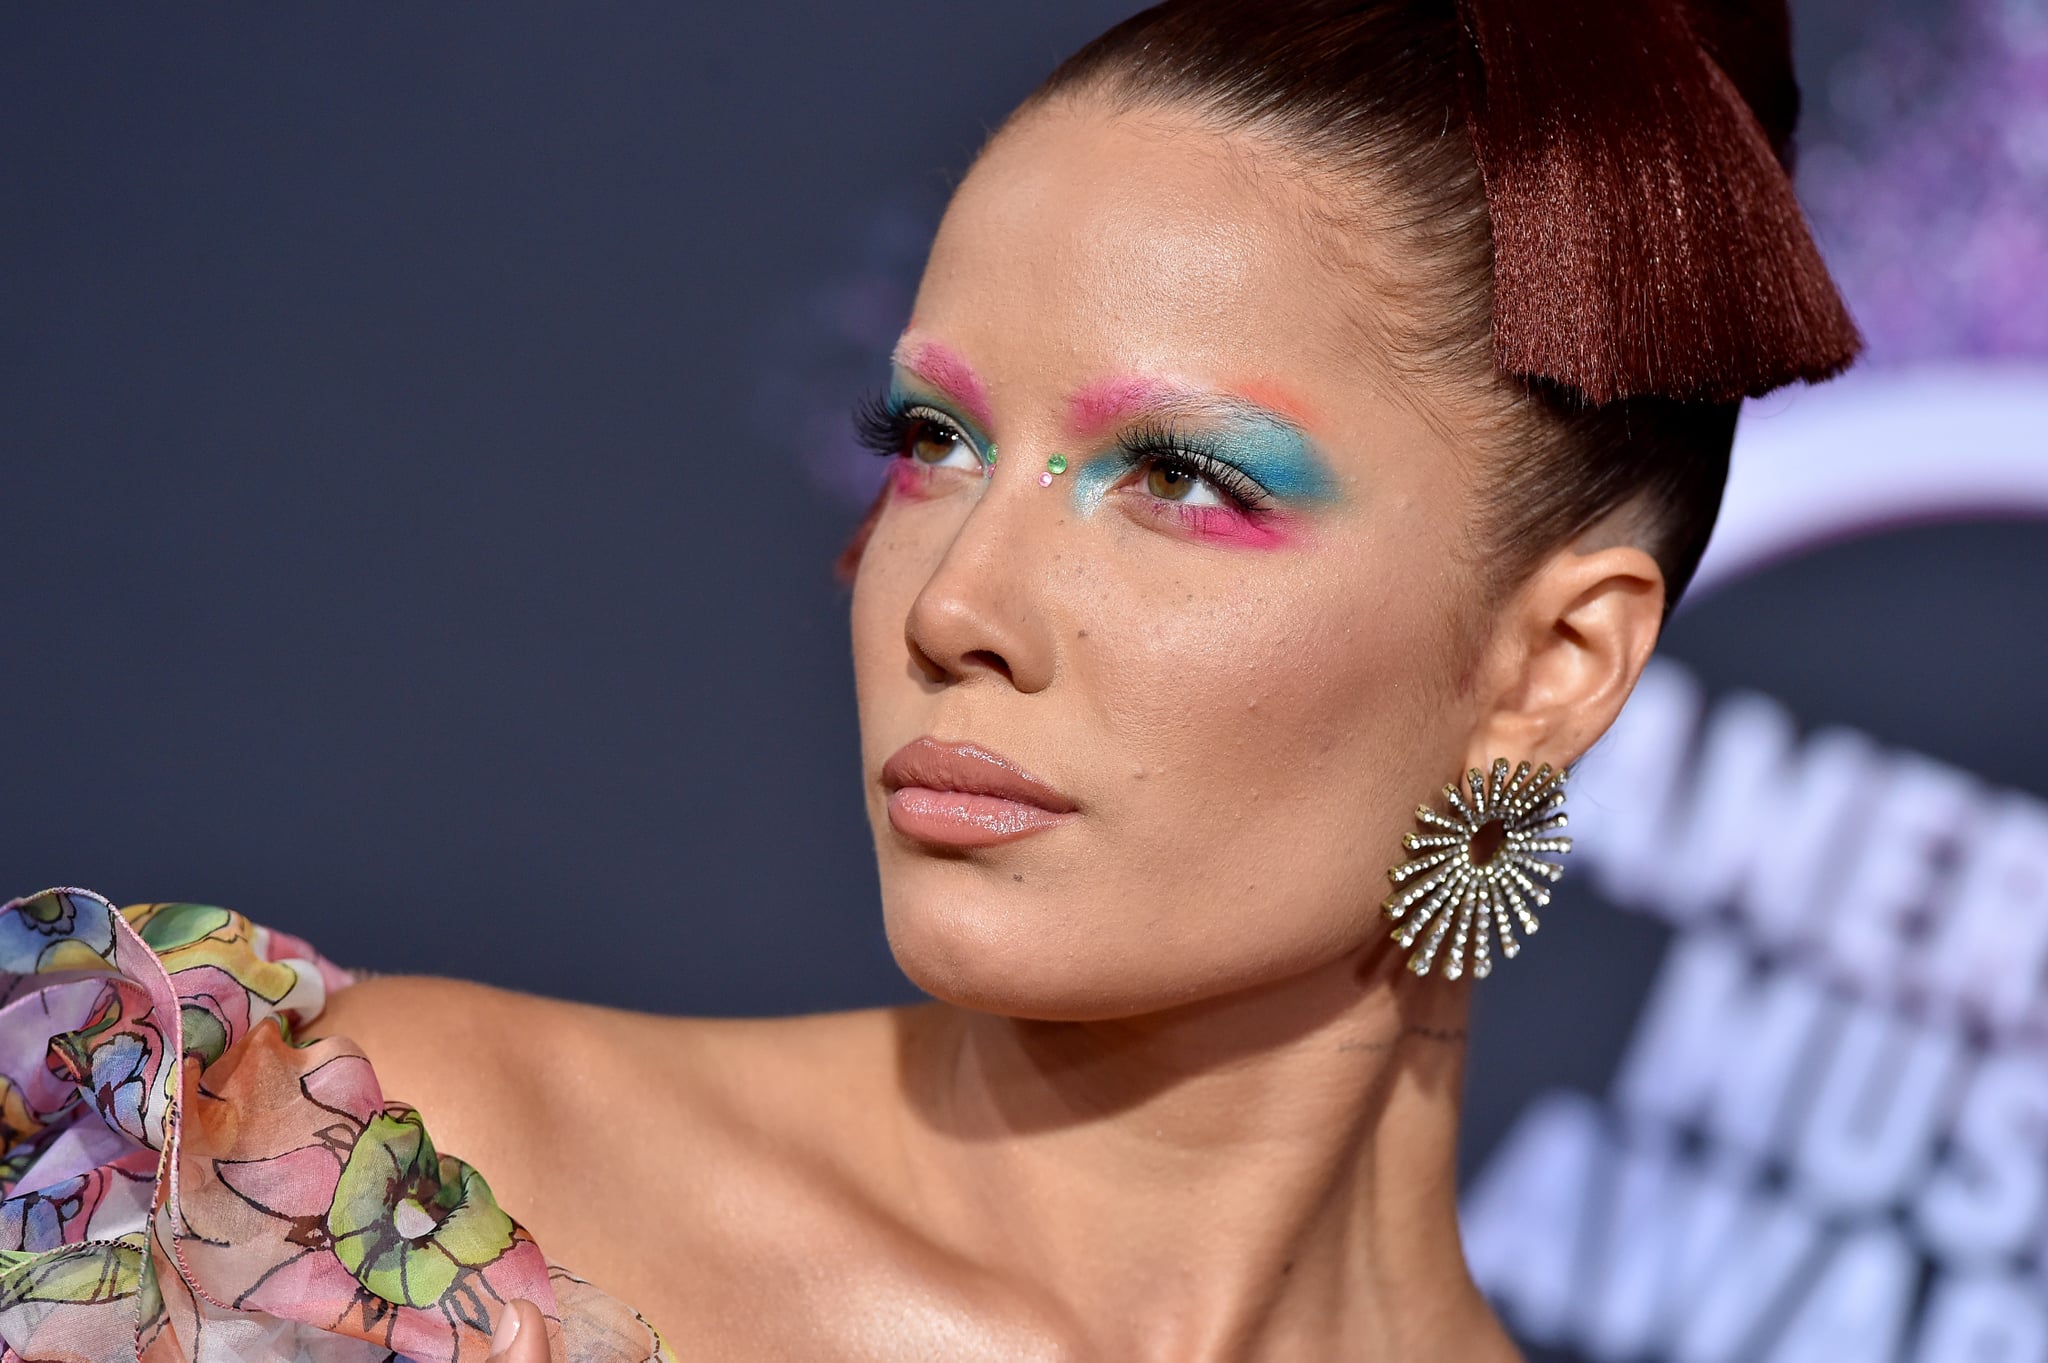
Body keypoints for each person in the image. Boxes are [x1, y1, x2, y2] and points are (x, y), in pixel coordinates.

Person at [1, 0, 1859, 1358]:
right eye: (932, 437)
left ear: (1552, 665)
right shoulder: (343, 1180)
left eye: (1183, 480)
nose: (953, 599)